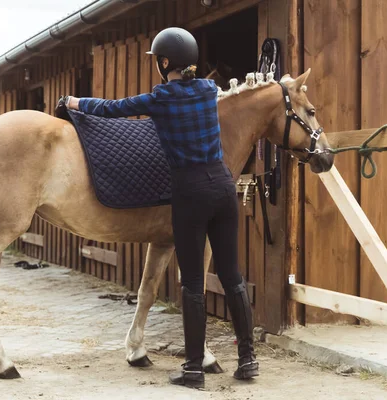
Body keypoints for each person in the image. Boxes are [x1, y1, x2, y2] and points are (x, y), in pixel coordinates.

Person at [60, 27, 258, 389]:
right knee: (232, 277)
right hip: (223, 188)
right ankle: (248, 360)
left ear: (165, 62)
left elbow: (112, 109)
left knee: (193, 284)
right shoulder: (208, 90)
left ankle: (194, 370)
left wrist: (75, 103)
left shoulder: (161, 97)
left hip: (190, 192)